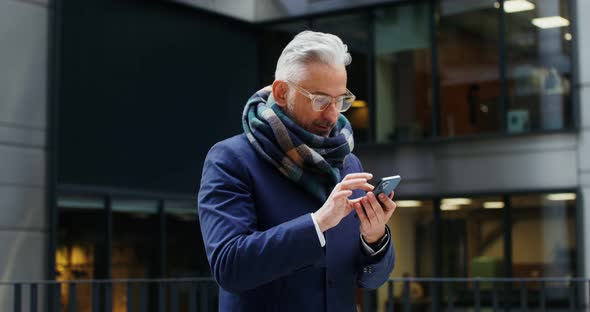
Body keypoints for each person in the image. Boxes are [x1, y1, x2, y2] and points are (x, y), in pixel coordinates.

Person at [198, 30, 397, 312]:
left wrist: (374, 237)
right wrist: (318, 223)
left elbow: (371, 281)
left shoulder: (347, 162)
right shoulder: (231, 159)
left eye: (340, 100)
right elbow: (229, 267)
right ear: (281, 92)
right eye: (320, 100)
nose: (332, 114)